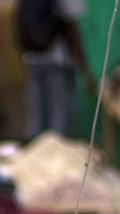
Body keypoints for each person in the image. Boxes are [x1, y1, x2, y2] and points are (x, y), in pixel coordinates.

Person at [15, 0, 89, 139]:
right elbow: (72, 27)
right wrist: (85, 68)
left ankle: (34, 158)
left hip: (32, 59)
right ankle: (56, 158)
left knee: (36, 118)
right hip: (58, 62)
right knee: (60, 120)